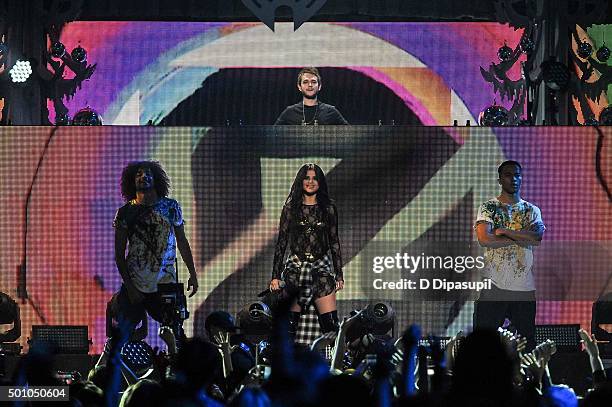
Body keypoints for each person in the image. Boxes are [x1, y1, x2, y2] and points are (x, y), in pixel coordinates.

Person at [113, 161, 198, 346]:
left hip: (165, 283)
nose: (144, 177)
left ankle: (177, 370)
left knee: (175, 335)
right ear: (132, 181)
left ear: (156, 178)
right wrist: (130, 287)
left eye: (148, 173)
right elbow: (119, 255)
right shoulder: (125, 212)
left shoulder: (170, 207)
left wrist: (192, 273)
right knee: (123, 336)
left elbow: (182, 242)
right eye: (139, 174)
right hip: (135, 283)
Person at [473, 160, 545, 350]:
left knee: (526, 343)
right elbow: (485, 239)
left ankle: (528, 379)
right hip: (494, 284)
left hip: (523, 287)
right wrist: (523, 237)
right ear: (500, 179)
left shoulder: (531, 210)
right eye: (508, 175)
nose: (513, 179)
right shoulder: (489, 207)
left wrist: (505, 230)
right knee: (484, 342)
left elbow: (537, 237)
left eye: (517, 175)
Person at [270, 163, 344, 337]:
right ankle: (286, 360)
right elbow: (282, 242)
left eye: (314, 178)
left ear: (320, 182)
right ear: (300, 181)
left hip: (321, 265)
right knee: (288, 326)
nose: (310, 182)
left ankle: (333, 361)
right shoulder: (290, 209)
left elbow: (334, 241)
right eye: (307, 178)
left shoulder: (328, 208)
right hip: (296, 265)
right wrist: (275, 275)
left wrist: (339, 274)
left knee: (330, 326)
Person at [274, 67, 348, 125]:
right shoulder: (289, 112)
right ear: (299, 87)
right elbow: (273, 136)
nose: (310, 85)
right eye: (305, 82)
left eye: (313, 82)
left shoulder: (331, 111)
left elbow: (350, 134)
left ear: (319, 86)